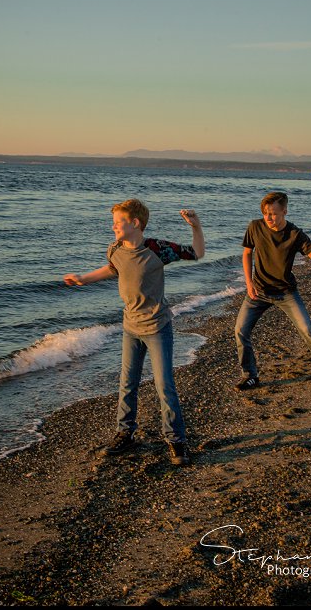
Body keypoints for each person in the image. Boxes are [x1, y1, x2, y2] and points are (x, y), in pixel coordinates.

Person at [63, 200, 204, 466]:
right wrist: (83, 278)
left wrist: (196, 227)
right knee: (127, 383)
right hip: (130, 327)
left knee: (165, 386)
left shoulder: (157, 249)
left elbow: (197, 252)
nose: (113, 226)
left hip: (157, 327)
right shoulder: (114, 248)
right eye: (114, 221)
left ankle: (176, 440)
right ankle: (125, 433)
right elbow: (113, 269)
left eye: (119, 221)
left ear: (135, 223)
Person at [231, 191, 311, 391]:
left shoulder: (295, 234)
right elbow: (247, 253)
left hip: (286, 292)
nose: (269, 218)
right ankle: (250, 376)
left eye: (273, 213)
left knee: (308, 329)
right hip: (258, 291)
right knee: (240, 330)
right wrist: (249, 283)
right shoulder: (255, 227)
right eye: (265, 213)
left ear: (285, 212)